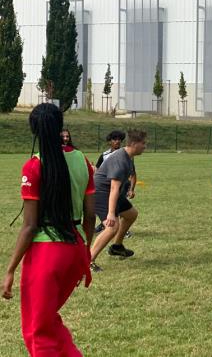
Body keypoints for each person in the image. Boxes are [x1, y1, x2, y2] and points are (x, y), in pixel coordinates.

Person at [2, 103, 95, 356]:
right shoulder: (81, 159)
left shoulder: (33, 167)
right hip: (74, 248)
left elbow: (30, 226)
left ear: (34, 130)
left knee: (37, 330)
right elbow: (89, 214)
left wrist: (10, 270)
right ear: (59, 128)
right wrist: (86, 250)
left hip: (48, 253)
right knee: (48, 321)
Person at [90, 129, 146, 272]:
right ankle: (87, 261)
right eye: (143, 143)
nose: (145, 146)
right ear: (134, 144)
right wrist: (110, 213)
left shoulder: (128, 156)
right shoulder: (120, 160)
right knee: (111, 227)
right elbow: (114, 188)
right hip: (102, 194)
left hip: (114, 193)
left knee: (131, 214)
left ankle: (117, 247)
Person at [95, 130, 136, 239]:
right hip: (108, 187)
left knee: (127, 211)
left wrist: (131, 188)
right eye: (114, 139)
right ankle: (104, 224)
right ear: (110, 141)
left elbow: (133, 174)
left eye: (119, 139)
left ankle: (121, 235)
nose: (117, 141)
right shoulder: (104, 155)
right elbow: (97, 171)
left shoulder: (128, 155)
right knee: (110, 212)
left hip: (121, 187)